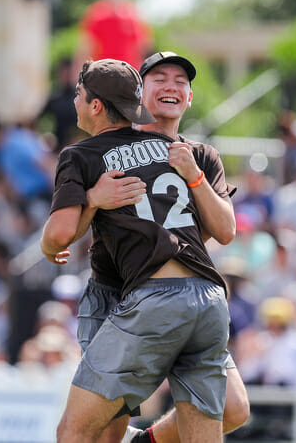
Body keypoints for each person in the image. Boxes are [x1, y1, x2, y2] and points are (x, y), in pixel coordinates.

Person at [63, 52, 249, 443]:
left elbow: (223, 231)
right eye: (159, 78)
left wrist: (195, 178)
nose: (170, 86)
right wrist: (91, 201)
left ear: (191, 96)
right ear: (138, 94)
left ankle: (143, 441)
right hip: (117, 294)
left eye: (180, 81)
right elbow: (67, 228)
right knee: (95, 431)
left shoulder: (199, 155)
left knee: (234, 410)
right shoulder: (108, 148)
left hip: (180, 297)